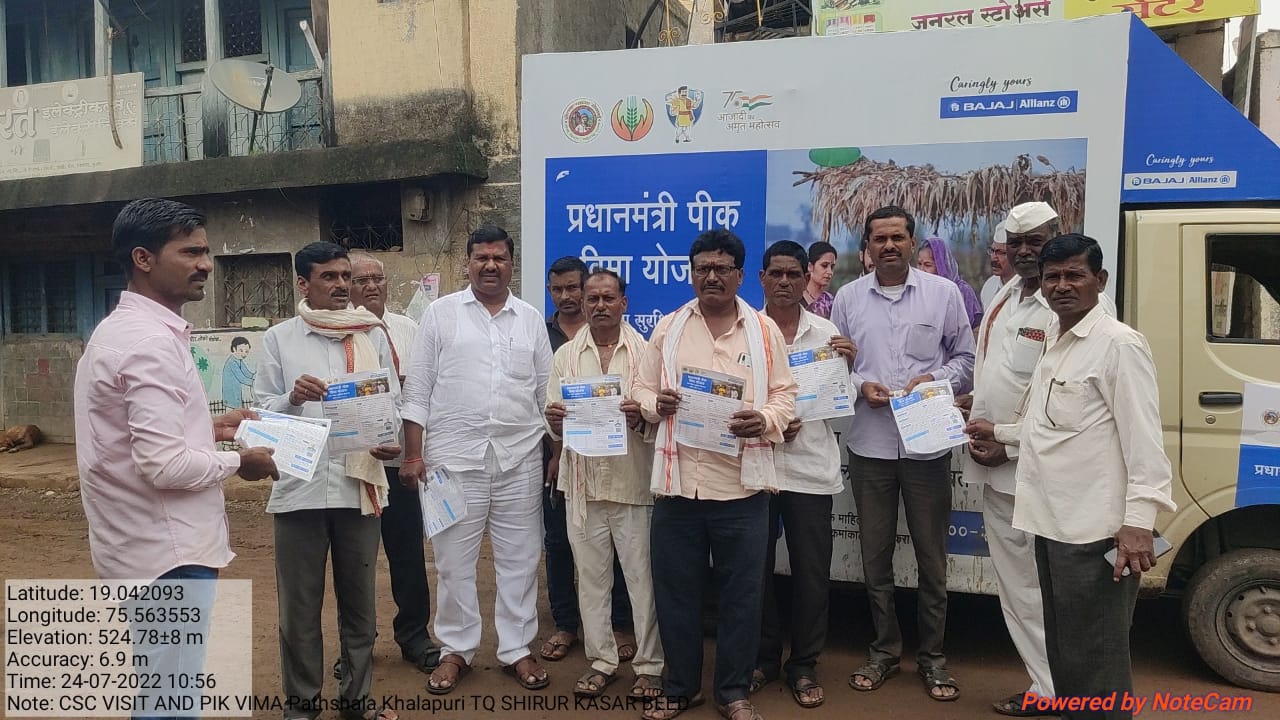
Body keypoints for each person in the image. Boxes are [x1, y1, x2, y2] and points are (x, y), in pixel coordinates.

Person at [75, 198, 278, 720]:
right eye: (190, 252)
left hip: (139, 546)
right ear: (143, 258)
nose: (205, 264)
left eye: (205, 252)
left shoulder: (121, 331)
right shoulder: (148, 343)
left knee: (161, 687)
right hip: (170, 556)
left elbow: (130, 440)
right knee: (170, 698)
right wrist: (239, 463)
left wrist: (209, 430)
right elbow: (163, 466)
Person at [968, 234, 1175, 720]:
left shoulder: (1118, 345)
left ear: (1099, 281)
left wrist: (1138, 523)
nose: (1062, 286)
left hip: (1094, 532)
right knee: (1066, 656)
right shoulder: (1057, 343)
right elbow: (1050, 425)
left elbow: (1145, 443)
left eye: (1074, 275)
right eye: (1053, 277)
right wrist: (999, 432)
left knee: (1096, 661)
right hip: (1050, 524)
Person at [633, 229, 797, 720]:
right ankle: (681, 687)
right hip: (678, 487)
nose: (711, 276)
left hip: (741, 489)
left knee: (742, 597)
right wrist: (655, 405)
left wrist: (763, 419)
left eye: (721, 268)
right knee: (676, 595)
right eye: (702, 268)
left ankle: (733, 692)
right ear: (691, 273)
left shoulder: (763, 331)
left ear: (740, 276)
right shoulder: (669, 328)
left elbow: (785, 395)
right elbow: (640, 388)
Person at [400, 226, 555, 695]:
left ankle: (516, 649)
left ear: (512, 264)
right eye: (481, 258)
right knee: (452, 563)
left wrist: (556, 452)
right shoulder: (441, 315)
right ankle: (456, 650)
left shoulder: (529, 319)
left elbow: (546, 395)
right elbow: (418, 388)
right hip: (451, 461)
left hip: (520, 459)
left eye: (499, 258)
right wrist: (413, 454)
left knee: (521, 559)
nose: (490, 265)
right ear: (467, 263)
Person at [830, 206, 975, 702]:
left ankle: (933, 659)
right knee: (875, 558)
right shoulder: (848, 298)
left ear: (913, 243)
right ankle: (884, 652)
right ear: (867, 247)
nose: (888, 245)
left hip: (926, 446)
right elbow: (834, 366)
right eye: (879, 238)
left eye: (897, 237)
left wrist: (932, 380)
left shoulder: (943, 294)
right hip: (870, 444)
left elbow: (966, 359)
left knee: (933, 558)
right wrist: (859, 384)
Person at [255, 241, 404, 720]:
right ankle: (302, 709)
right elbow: (260, 413)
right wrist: (293, 398)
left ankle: (356, 701)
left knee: (360, 608)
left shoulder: (370, 335)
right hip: (299, 488)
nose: (342, 285)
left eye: (346, 276)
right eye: (330, 277)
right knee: (299, 612)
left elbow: (391, 404)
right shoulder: (279, 339)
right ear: (303, 283)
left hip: (358, 486)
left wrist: (388, 440)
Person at [960, 202, 1067, 717]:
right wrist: (970, 403)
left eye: (1035, 241)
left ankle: (1062, 690)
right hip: (997, 473)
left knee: (1048, 591)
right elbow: (1001, 375)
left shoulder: (1071, 305)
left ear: (1057, 237)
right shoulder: (1004, 295)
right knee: (1019, 590)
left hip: (1043, 477)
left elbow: (1066, 401)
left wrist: (1008, 441)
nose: (1024, 251)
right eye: (1016, 242)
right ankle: (1047, 687)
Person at [544, 268, 665, 700]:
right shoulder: (566, 356)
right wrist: (556, 421)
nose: (599, 305)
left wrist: (642, 417)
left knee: (642, 582)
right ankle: (602, 661)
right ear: (583, 302)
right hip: (583, 486)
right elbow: (552, 415)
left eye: (608, 298)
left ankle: (650, 666)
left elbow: (659, 415)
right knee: (592, 582)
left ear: (623, 303)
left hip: (634, 484)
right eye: (592, 298)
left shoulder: (646, 353)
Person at [752, 241, 856, 710]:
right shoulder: (745, 332)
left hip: (811, 469)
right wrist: (770, 421)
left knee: (812, 572)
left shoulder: (826, 333)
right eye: (776, 274)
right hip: (757, 468)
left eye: (793, 274)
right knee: (754, 570)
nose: (784, 282)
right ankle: (764, 656)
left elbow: (837, 405)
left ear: (805, 277)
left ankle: (805, 663)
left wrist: (847, 368)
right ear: (762, 278)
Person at [347, 251, 442, 675]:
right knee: (356, 561)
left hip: (400, 463)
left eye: (378, 278)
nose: (371, 286)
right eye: (361, 280)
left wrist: (405, 387)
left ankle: (414, 636)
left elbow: (427, 388)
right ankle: (356, 645)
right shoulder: (338, 332)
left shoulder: (408, 329)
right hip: (355, 467)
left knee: (407, 555)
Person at [541, 256, 634, 665]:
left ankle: (623, 631)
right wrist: (555, 445)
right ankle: (571, 629)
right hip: (568, 465)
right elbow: (548, 406)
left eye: (573, 288)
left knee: (627, 557)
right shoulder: (551, 342)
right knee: (564, 548)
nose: (567, 296)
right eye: (557, 289)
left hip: (623, 469)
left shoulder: (637, 349)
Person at [917, 236, 984, 329]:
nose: (921, 270)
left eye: (927, 265)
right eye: (919, 264)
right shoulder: (917, 292)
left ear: (941, 266)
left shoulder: (962, 291)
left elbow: (975, 329)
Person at [981, 222, 1015, 310]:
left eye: (1001, 253)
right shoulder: (989, 286)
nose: (994, 258)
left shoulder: (1027, 288)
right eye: (992, 251)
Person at [802, 241, 838, 319]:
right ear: (810, 266)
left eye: (832, 267)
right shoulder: (797, 299)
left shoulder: (832, 301)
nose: (830, 272)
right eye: (824, 266)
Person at [222, 336, 256, 409]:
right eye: (241, 350)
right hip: (231, 392)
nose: (244, 354)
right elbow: (241, 378)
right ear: (234, 349)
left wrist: (256, 376)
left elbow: (246, 373)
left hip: (236, 390)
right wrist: (254, 382)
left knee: (238, 407)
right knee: (233, 410)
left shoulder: (239, 360)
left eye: (246, 351)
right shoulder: (232, 362)